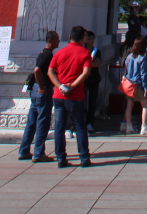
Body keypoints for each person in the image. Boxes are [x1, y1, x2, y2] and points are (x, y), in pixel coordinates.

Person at [48, 25, 94, 168]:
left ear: (70, 37)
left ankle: (61, 158)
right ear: (82, 39)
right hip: (76, 95)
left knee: (59, 127)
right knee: (79, 126)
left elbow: (50, 71)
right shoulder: (85, 53)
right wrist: (72, 86)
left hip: (59, 95)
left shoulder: (59, 52)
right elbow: (85, 73)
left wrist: (60, 86)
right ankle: (84, 157)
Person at [18, 30, 60, 162]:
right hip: (43, 89)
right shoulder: (47, 54)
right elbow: (37, 70)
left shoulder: (43, 53)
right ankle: (38, 153)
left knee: (32, 121)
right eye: (57, 39)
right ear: (50, 40)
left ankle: (24, 150)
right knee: (43, 122)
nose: (58, 41)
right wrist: (42, 86)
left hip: (35, 90)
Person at [122, 38, 147, 134]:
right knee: (145, 105)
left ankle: (128, 126)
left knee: (129, 105)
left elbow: (125, 70)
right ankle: (144, 127)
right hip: (138, 84)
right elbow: (143, 74)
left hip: (129, 84)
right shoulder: (142, 58)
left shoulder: (129, 57)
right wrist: (145, 87)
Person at [83, 30, 101, 133]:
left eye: (93, 38)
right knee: (83, 101)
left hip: (94, 78)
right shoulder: (83, 50)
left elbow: (97, 64)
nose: (91, 40)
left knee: (92, 101)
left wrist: (88, 64)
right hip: (84, 79)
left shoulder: (96, 51)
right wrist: (90, 63)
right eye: (89, 38)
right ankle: (83, 122)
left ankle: (90, 123)